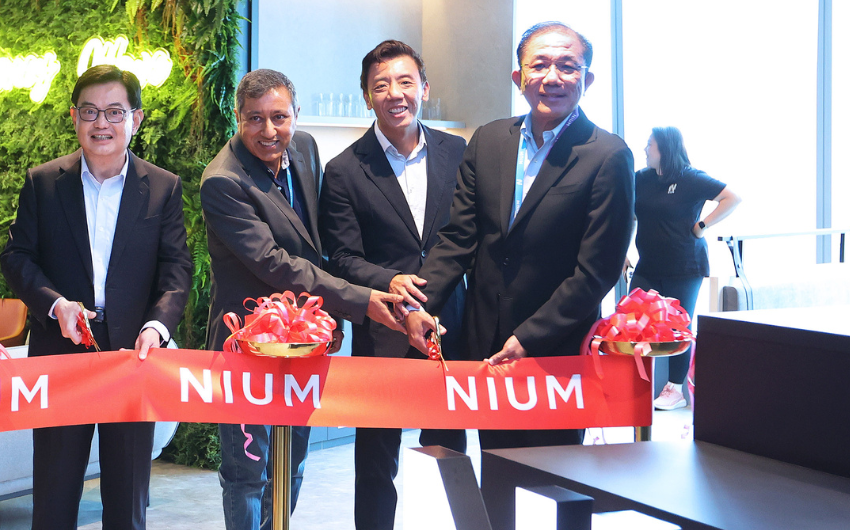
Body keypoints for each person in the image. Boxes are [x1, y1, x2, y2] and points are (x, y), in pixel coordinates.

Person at [405, 21, 635, 450]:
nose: (553, 77)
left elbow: (596, 271)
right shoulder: (489, 140)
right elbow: (459, 238)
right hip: (487, 344)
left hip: (558, 349)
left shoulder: (608, 156)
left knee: (561, 480)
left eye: (568, 66)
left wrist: (529, 336)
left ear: (588, 79)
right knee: (496, 471)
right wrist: (417, 305)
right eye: (540, 65)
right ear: (519, 77)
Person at [201, 68, 404, 530]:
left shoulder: (305, 148)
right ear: (238, 118)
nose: (270, 132)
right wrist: (361, 299)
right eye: (255, 119)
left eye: (280, 117)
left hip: (305, 344)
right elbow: (278, 265)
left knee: (291, 465)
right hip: (247, 346)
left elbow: (315, 243)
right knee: (246, 473)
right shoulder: (223, 182)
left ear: (296, 115)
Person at [0, 65, 193, 530]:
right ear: (73, 117)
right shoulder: (44, 183)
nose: (101, 123)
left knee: (127, 501)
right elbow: (16, 257)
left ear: (137, 119)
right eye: (90, 111)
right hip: (62, 350)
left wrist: (157, 326)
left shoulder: (162, 186)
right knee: (53, 495)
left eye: (114, 111)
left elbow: (176, 268)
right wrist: (54, 304)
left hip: (133, 355)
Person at [317, 40, 468, 530]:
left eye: (405, 82)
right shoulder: (343, 169)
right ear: (366, 96)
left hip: (451, 324)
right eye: (381, 85)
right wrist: (390, 281)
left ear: (424, 88)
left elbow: (465, 235)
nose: (395, 94)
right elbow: (340, 256)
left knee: (451, 449)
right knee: (377, 458)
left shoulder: (458, 152)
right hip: (382, 329)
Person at [632, 126, 740, 410]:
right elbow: (627, 214)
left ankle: (676, 389)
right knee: (633, 321)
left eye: (650, 144)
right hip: (648, 264)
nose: (645, 149)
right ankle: (635, 382)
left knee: (678, 326)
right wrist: (621, 252)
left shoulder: (690, 178)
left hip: (684, 265)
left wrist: (702, 226)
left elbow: (732, 198)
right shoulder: (641, 179)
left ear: (664, 149)